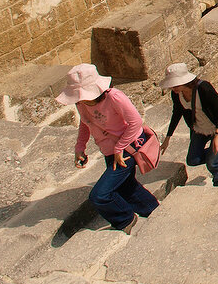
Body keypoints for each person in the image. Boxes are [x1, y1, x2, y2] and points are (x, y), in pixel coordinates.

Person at [56, 64, 159, 233]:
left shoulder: (114, 97)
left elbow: (135, 122)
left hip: (127, 147)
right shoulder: (81, 103)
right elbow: (85, 123)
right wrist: (79, 147)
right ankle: (154, 210)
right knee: (126, 186)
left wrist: (120, 148)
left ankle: (125, 219)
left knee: (100, 195)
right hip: (110, 150)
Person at [159, 63, 218, 187]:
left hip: (217, 125)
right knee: (193, 160)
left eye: (175, 84)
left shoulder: (204, 88)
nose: (173, 88)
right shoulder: (177, 94)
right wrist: (168, 137)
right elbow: (177, 113)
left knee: (212, 162)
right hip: (199, 128)